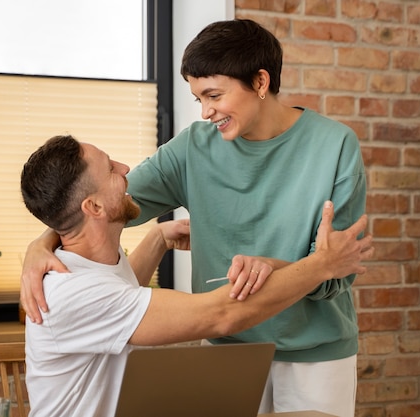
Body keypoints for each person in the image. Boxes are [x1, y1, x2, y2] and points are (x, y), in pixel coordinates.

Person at [21, 19, 368, 417]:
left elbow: (337, 269)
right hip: (227, 347)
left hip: (314, 352)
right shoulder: (192, 149)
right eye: (197, 98)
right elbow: (101, 202)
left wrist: (280, 266)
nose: (205, 112)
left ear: (259, 81)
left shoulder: (335, 145)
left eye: (214, 95)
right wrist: (42, 244)